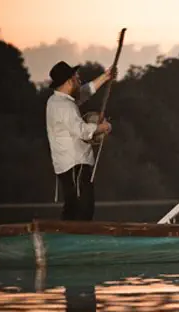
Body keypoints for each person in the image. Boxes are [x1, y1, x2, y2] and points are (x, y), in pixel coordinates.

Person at [46, 60, 115, 221]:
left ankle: (64, 240)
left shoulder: (58, 101)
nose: (79, 80)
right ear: (70, 81)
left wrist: (105, 77)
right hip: (75, 165)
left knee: (73, 206)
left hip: (70, 165)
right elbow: (82, 131)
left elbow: (84, 92)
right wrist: (103, 128)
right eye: (77, 78)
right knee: (83, 208)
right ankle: (71, 241)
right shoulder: (64, 106)